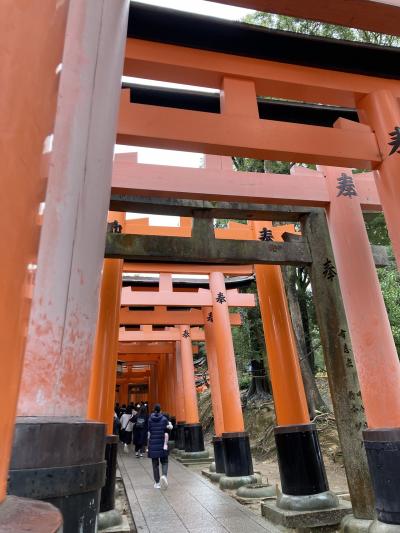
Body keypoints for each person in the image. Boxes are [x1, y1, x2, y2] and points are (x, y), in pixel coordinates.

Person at [148, 404, 169, 489]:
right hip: (162, 444)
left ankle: (157, 483)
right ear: (161, 410)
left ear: (154, 410)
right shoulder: (164, 419)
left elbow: (149, 431)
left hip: (153, 444)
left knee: (155, 464)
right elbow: (167, 430)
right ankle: (164, 476)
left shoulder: (150, 419)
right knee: (165, 461)